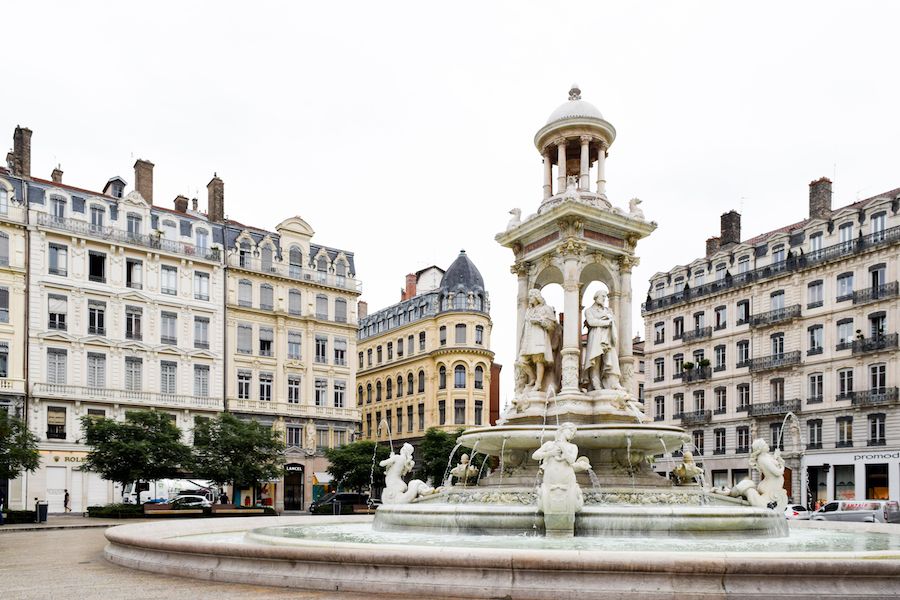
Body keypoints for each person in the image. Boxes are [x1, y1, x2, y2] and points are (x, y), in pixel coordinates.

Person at [582, 283, 623, 391]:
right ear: (596, 297)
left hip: (607, 338)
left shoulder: (608, 310)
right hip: (595, 337)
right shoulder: (589, 310)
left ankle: (612, 382)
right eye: (602, 297)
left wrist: (608, 320)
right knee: (595, 361)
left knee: (610, 359)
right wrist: (606, 321)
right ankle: (596, 384)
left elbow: (612, 320)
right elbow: (591, 322)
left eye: (605, 297)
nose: (604, 299)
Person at [519, 289, 558, 392]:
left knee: (539, 361)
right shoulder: (528, 310)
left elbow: (552, 326)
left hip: (539, 338)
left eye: (531, 296)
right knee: (521, 361)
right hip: (528, 340)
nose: (530, 299)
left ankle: (538, 384)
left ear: (537, 297)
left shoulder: (546, 309)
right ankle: (532, 378)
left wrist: (540, 321)